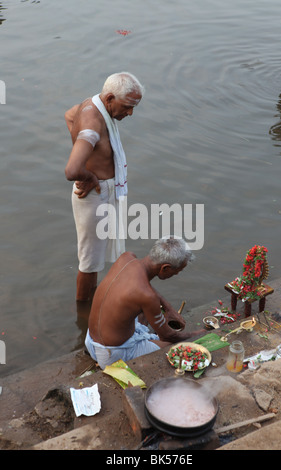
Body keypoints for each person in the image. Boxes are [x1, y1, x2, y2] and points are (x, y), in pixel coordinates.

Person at [65, 72, 144, 301]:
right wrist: (88, 174)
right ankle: (84, 313)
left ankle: (92, 307)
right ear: (109, 98)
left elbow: (69, 116)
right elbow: (71, 170)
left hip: (102, 192)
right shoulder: (92, 122)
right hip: (95, 196)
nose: (130, 113)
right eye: (128, 106)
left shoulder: (89, 105)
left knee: (95, 258)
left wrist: (87, 159)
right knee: (90, 262)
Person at [85, 238, 206, 369]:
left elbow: (145, 287)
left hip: (91, 340)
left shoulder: (127, 258)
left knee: (143, 308)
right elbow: (168, 336)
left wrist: (168, 308)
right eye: (178, 271)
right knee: (174, 347)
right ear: (165, 268)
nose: (177, 274)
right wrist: (197, 334)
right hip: (111, 356)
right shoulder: (147, 296)